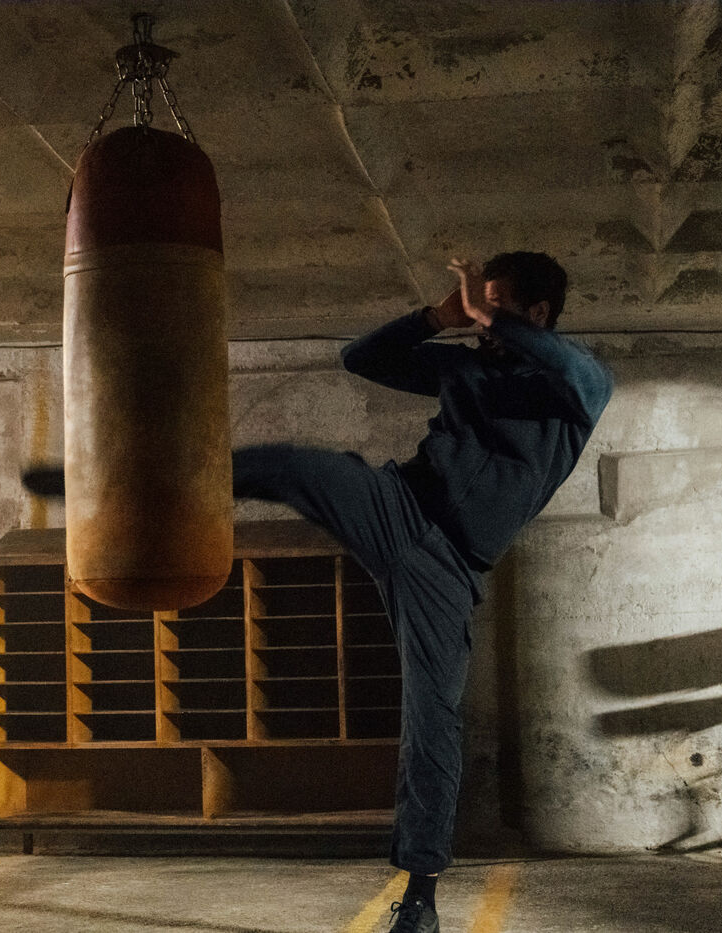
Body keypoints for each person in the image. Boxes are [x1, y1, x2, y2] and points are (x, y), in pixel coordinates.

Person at [231, 251, 613, 933]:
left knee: (430, 721)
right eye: (477, 305)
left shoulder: (575, 390)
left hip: (450, 570)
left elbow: (572, 367)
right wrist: (437, 317)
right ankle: (158, 489)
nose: (479, 318)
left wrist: (490, 316)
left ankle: (419, 898)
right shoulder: (464, 368)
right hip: (400, 508)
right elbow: (360, 358)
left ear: (538, 314)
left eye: (495, 305)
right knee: (297, 467)